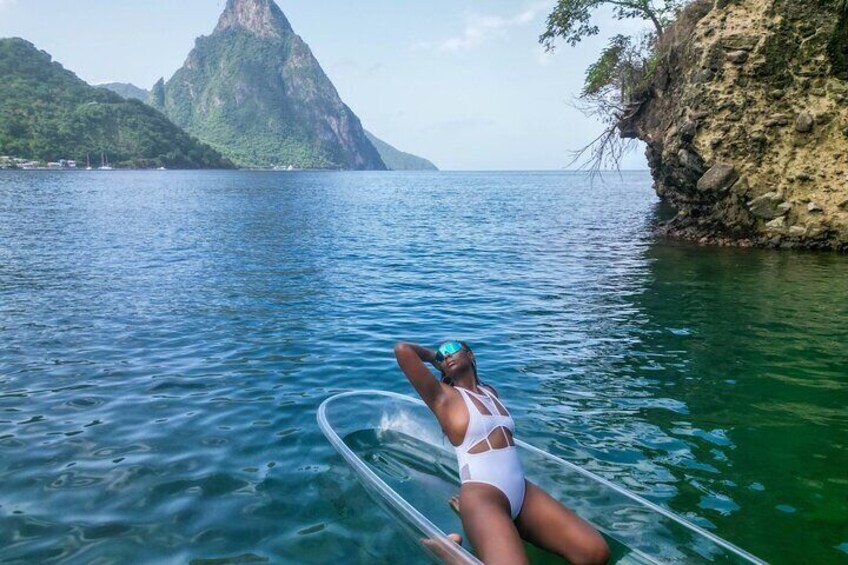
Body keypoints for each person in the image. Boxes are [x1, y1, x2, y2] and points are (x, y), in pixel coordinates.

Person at [394, 340, 610, 565]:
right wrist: (435, 358)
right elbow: (403, 350)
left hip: (521, 490)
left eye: (450, 350)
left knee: (595, 552)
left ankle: (500, 524)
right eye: (442, 356)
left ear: (470, 356)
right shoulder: (443, 398)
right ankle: (452, 553)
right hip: (483, 495)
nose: (445, 356)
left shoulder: (490, 392)